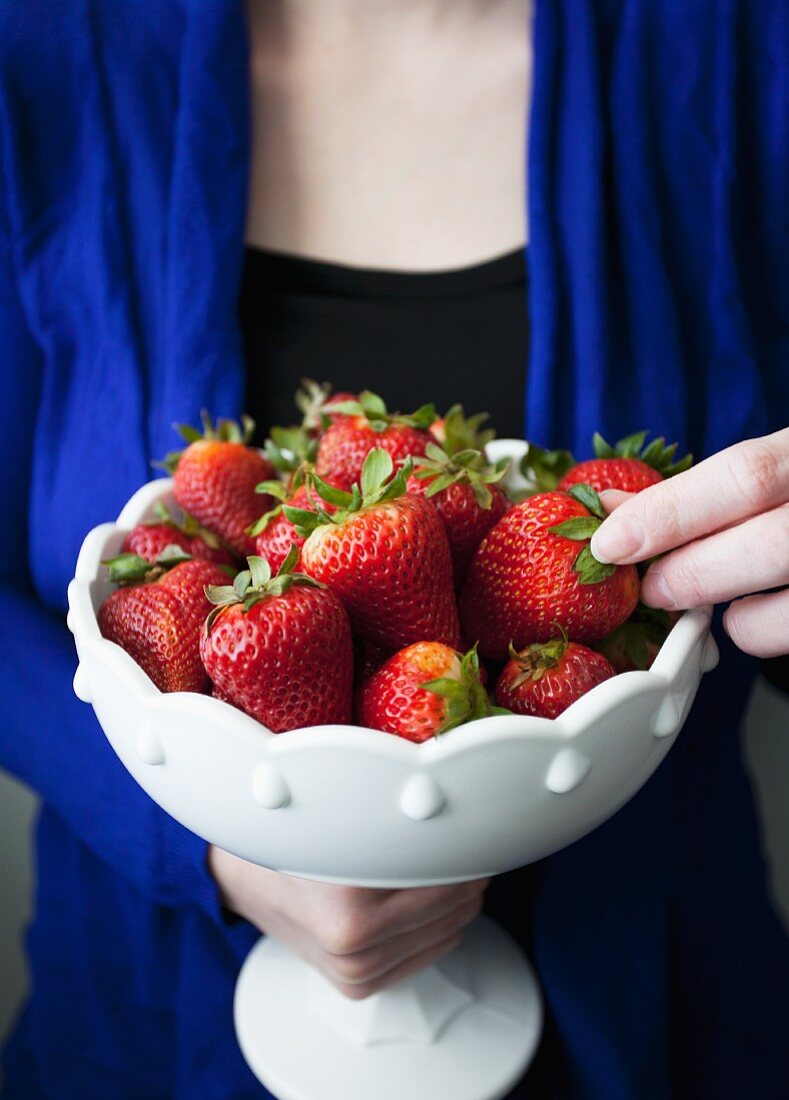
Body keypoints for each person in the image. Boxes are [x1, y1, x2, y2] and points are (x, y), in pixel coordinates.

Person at [1, 2, 787, 1098]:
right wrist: (210, 844)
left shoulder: (746, 53)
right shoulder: (37, 62)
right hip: (143, 1025)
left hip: (665, 1008)